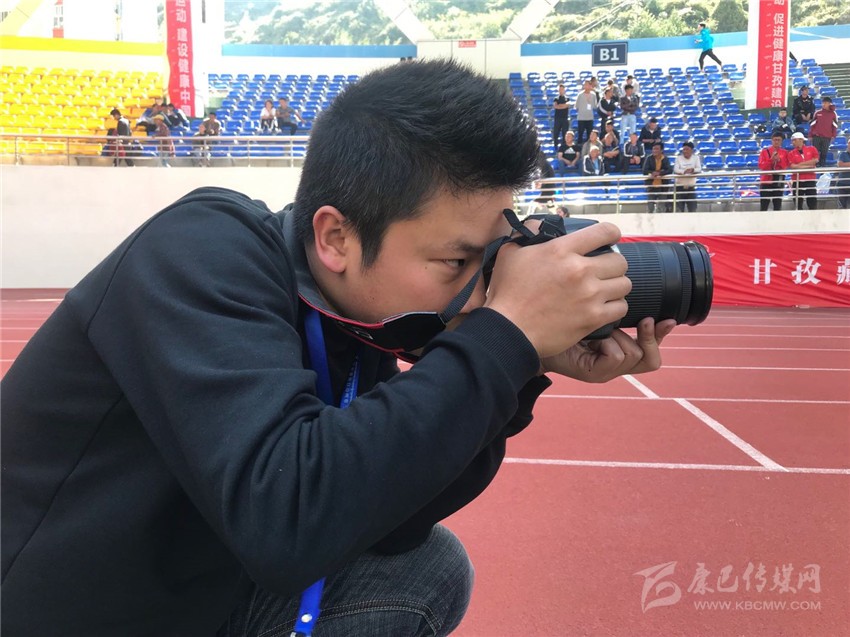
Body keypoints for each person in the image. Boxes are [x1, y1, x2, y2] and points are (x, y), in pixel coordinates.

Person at [1, 58, 676, 637]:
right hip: (60, 610)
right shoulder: (199, 251)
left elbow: (387, 524)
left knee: (427, 568)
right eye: (457, 261)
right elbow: (288, 521)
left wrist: (518, 369)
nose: (479, 290)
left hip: (196, 595)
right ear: (336, 238)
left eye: (492, 259)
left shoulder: (355, 314)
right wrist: (505, 336)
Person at [758, 131, 790, 211]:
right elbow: (762, 166)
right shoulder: (764, 151)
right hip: (766, 181)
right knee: (764, 205)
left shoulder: (785, 152)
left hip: (778, 180)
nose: (776, 142)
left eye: (779, 140)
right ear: (772, 140)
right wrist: (771, 160)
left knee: (777, 204)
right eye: (775, 140)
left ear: (781, 141)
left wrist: (779, 160)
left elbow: (785, 166)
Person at [787, 131, 819, 210]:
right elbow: (793, 166)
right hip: (797, 180)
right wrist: (808, 166)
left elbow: (815, 160)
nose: (793, 142)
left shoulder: (812, 149)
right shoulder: (791, 153)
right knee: (798, 204)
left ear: (801, 140)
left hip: (810, 179)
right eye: (793, 140)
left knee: (812, 203)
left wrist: (799, 165)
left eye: (794, 140)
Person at [643, 142, 673, 212]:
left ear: (661, 150)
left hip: (662, 186)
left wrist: (660, 173)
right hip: (651, 186)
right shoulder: (649, 158)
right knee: (650, 207)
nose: (654, 150)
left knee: (661, 207)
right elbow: (644, 171)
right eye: (653, 149)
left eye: (657, 149)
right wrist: (652, 172)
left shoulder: (665, 159)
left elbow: (669, 170)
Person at [672, 141, 702, 212]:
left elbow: (699, 169)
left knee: (692, 209)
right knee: (679, 210)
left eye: (687, 149)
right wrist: (684, 171)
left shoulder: (696, 158)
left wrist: (692, 170)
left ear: (691, 150)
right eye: (684, 149)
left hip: (691, 187)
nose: (685, 151)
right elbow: (676, 170)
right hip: (680, 187)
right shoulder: (678, 158)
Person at [809, 96, 838, 167]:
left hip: (827, 137)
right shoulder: (817, 113)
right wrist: (810, 135)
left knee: (824, 153)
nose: (823, 104)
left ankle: (822, 167)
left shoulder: (833, 114)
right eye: (823, 103)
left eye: (825, 103)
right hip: (816, 136)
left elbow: (835, 126)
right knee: (815, 153)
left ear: (829, 104)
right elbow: (812, 124)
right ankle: (815, 167)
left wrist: (833, 136)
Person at [574, 80, 598, 146]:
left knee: (589, 135)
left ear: (590, 86)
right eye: (585, 85)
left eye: (587, 85)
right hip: (581, 118)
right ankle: (579, 147)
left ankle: (589, 147)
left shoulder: (593, 95)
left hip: (590, 118)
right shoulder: (580, 94)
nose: (586, 86)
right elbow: (576, 106)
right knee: (580, 134)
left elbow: (595, 106)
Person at [551, 83, 571, 150]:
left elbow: (567, 105)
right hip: (557, 119)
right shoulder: (556, 99)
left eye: (562, 89)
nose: (561, 90)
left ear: (564, 90)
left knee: (565, 133)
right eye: (560, 89)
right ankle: (555, 146)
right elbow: (556, 106)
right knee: (556, 133)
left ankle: (564, 147)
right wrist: (563, 105)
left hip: (565, 119)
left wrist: (560, 105)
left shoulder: (567, 98)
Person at [837, 137, 850, 209]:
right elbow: (840, 164)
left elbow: (843, 164)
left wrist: (846, 164)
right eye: (849, 143)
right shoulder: (842, 154)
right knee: (842, 207)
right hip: (843, 184)